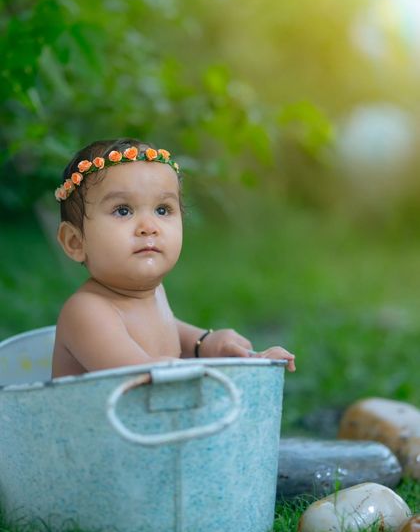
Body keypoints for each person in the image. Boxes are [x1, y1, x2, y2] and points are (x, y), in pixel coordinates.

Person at [52, 138, 296, 378]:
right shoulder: (86, 312)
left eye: (162, 210)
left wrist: (204, 342)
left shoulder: (153, 292)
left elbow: (165, 330)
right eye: (123, 210)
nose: (149, 227)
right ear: (75, 241)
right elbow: (142, 376)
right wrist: (231, 371)